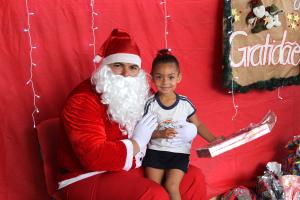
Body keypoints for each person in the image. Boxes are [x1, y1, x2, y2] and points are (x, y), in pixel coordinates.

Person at [56, 29, 208, 199]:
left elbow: (167, 117)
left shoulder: (142, 91)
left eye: (133, 67)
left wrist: (181, 129)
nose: (126, 74)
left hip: (136, 166)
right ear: (105, 67)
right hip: (87, 176)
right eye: (118, 65)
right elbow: (93, 157)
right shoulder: (83, 100)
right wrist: (136, 143)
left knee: (193, 178)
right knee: (152, 194)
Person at [142, 49, 218, 200]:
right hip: (155, 151)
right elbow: (144, 132)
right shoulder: (150, 104)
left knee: (171, 186)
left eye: (170, 77)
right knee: (153, 188)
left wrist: (214, 140)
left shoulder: (185, 104)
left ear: (178, 77)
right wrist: (161, 134)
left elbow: (199, 125)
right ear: (152, 78)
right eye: (159, 77)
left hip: (179, 153)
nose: (165, 82)